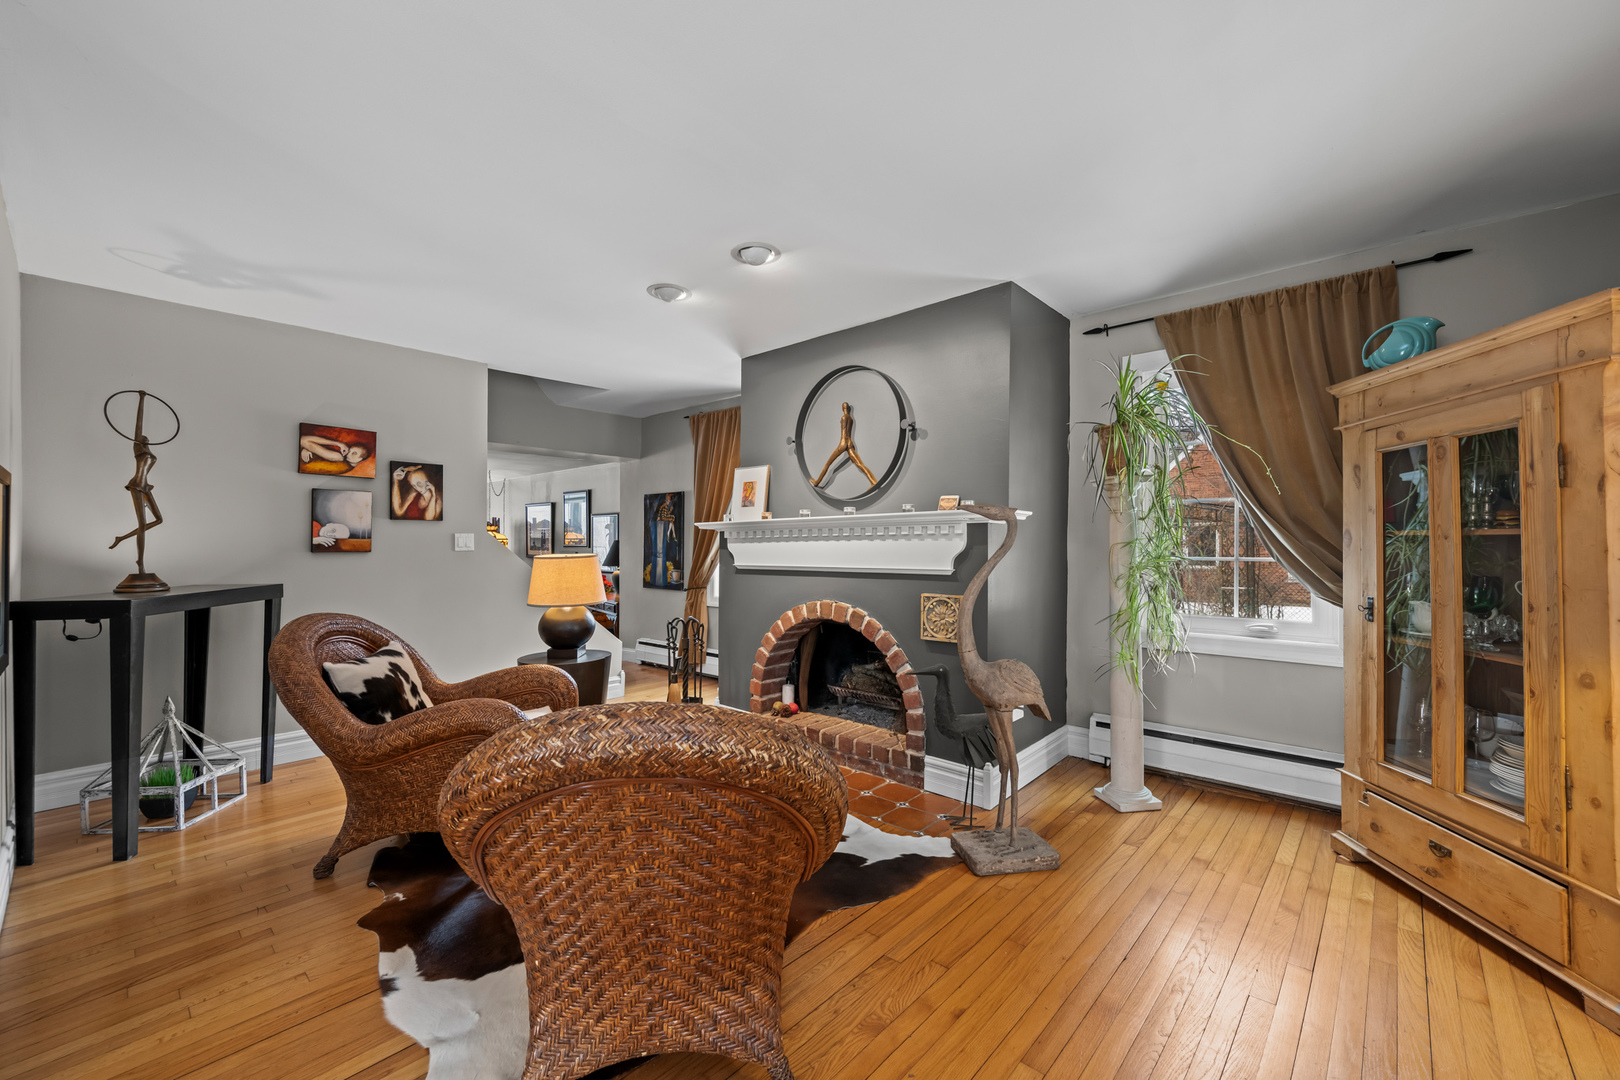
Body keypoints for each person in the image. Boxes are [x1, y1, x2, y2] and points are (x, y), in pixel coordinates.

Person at [812, 402, 878, 488]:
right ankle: (873, 481)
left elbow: (844, 433)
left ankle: (817, 482)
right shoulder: (850, 419)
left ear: (843, 408)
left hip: (843, 443)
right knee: (859, 464)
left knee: (828, 464)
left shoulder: (843, 418)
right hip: (850, 443)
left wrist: (839, 448)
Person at [301, 434, 371, 470]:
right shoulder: (339, 457)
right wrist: (307, 449)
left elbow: (303, 440)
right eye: (350, 451)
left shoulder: (338, 457)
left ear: (361, 458)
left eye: (354, 453)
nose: (348, 454)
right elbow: (303, 440)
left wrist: (338, 443)